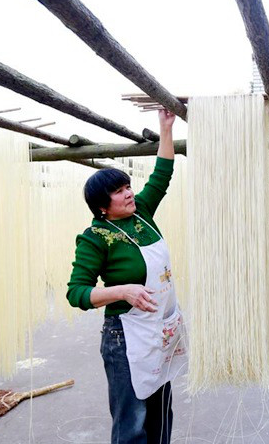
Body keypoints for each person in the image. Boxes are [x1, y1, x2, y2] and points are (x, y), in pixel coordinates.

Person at [67, 109, 184, 444]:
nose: (129, 193)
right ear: (102, 206)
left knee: (161, 415)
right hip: (126, 335)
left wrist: (165, 129)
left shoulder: (142, 215)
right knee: (132, 421)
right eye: (119, 191)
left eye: (128, 186)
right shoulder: (95, 237)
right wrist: (123, 291)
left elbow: (162, 174)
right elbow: (77, 293)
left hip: (159, 329)